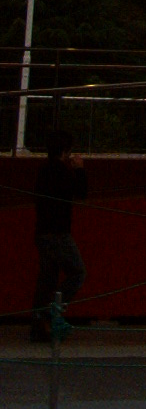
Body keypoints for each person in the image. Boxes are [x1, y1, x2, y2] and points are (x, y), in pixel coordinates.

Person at [30, 128, 87, 341]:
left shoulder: (43, 170)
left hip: (43, 232)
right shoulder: (62, 172)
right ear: (64, 151)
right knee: (77, 273)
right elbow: (81, 192)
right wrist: (79, 169)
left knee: (47, 279)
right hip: (59, 233)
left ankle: (40, 325)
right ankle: (50, 311)